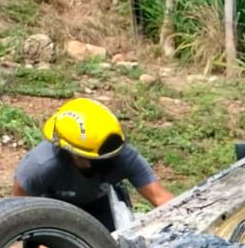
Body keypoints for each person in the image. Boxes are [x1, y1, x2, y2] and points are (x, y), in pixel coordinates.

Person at [13, 97, 173, 231]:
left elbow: (160, 198)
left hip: (100, 205)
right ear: (73, 153)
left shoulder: (123, 156)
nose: (109, 161)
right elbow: (17, 214)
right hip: (54, 210)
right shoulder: (41, 166)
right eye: (99, 159)